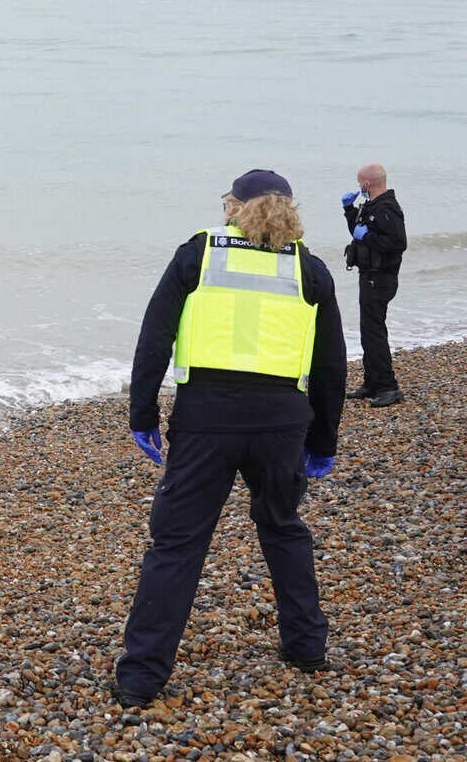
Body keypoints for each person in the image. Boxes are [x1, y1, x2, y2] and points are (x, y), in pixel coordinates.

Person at [113, 169, 346, 707]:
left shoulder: (198, 255)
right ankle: (307, 646)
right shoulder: (309, 269)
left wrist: (142, 412)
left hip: (205, 421)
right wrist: (324, 440)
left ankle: (141, 676)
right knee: (283, 527)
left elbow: (154, 338)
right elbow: (331, 365)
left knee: (176, 544)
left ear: (234, 208)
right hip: (283, 422)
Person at [342, 164, 407, 407]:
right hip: (368, 275)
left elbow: (398, 242)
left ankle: (388, 387)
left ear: (367, 184)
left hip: (380, 278)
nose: (359, 187)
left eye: (360, 183)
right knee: (368, 330)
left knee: (374, 331)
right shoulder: (371, 206)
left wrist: (367, 237)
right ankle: (372, 382)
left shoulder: (387, 208)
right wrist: (349, 210)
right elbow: (356, 232)